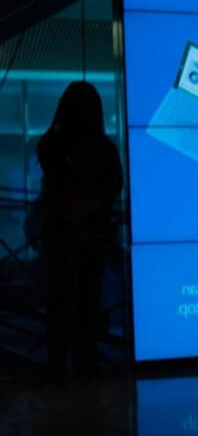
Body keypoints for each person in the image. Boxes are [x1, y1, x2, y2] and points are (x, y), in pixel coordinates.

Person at [36, 81, 123, 376]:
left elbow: (58, 185)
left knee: (59, 303)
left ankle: (58, 368)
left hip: (61, 240)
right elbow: (113, 188)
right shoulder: (106, 150)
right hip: (92, 241)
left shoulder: (50, 146)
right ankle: (85, 367)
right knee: (88, 302)